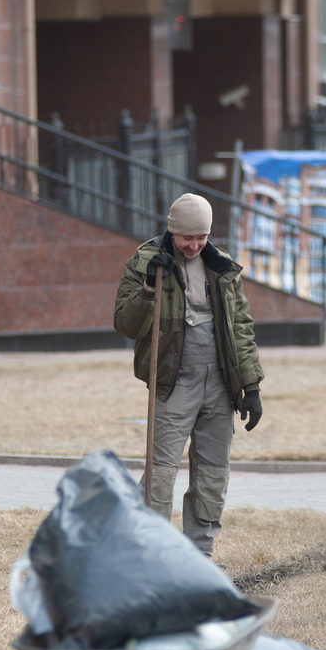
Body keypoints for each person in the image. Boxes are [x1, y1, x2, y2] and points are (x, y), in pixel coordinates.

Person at [113, 192, 264, 559]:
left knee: (212, 475)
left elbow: (240, 326)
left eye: (201, 237)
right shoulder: (147, 262)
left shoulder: (222, 266)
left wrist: (251, 384)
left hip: (219, 384)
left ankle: (200, 556)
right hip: (173, 382)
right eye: (187, 238)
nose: (194, 245)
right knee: (160, 474)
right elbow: (125, 324)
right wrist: (150, 287)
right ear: (172, 230)